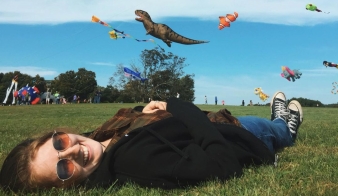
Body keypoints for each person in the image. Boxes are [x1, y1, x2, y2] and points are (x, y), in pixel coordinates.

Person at [0, 91, 303, 192]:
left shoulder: (98, 139)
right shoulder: (133, 163)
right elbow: (222, 165)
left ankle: (279, 122)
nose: (74, 151)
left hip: (209, 120)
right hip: (236, 131)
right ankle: (284, 127)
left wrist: (140, 113)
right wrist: (180, 107)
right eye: (63, 169)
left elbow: (131, 130)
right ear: (66, 187)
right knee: (273, 132)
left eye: (59, 143)